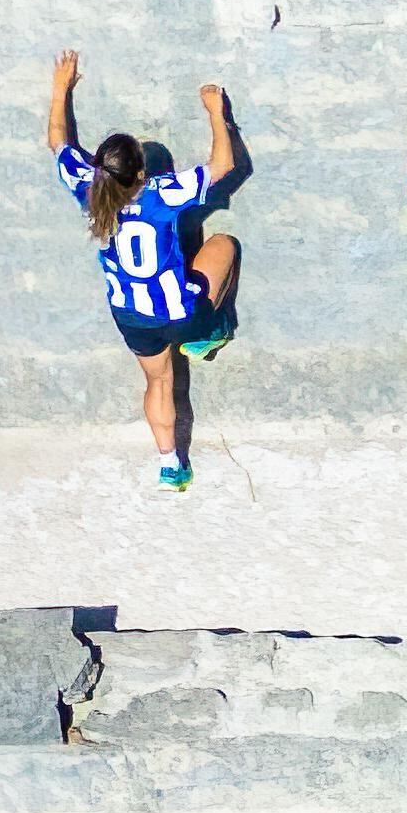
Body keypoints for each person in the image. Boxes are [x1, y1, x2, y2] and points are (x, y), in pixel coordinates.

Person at [47, 50, 240, 490]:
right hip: (178, 312)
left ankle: (171, 466)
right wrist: (216, 112)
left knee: (159, 381)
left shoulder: (85, 187)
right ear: (140, 173)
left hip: (131, 316)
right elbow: (223, 166)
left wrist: (60, 88)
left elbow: (58, 141)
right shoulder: (160, 193)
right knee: (223, 245)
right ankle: (205, 333)